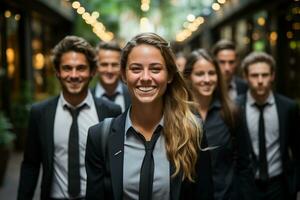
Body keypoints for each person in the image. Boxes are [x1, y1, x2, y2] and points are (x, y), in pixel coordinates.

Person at [85, 32, 214, 200]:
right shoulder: (100, 136)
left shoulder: (192, 131)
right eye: (136, 69)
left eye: (155, 69)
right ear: (123, 75)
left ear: (169, 75)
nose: (145, 78)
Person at [17, 36, 122, 200]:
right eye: (67, 68)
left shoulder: (111, 112)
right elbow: (30, 164)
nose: (74, 75)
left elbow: (118, 165)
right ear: (58, 72)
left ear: (92, 72)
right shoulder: (40, 113)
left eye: (81, 68)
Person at [183, 49, 256, 200]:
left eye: (212, 73)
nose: (207, 79)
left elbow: (244, 164)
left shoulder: (231, 113)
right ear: (189, 77)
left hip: (226, 195)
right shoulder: (179, 115)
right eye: (199, 74)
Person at [237, 52, 300, 200]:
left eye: (265, 75)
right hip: (246, 187)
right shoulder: (235, 108)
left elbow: (297, 149)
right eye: (254, 75)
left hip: (280, 185)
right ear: (245, 77)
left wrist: (295, 185)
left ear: (272, 76)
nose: (260, 80)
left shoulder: (287, 107)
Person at [92, 41, 131, 112]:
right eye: (104, 64)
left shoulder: (133, 96)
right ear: (96, 67)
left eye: (114, 65)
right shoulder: (87, 97)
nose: (109, 70)